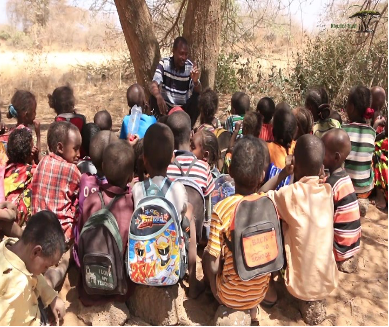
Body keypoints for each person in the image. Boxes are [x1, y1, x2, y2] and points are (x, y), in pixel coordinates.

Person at [264, 135, 338, 325]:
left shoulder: (290, 194)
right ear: (321, 168)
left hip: (298, 287)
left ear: (294, 163)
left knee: (276, 218)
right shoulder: (328, 191)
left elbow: (262, 195)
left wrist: (283, 174)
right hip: (327, 281)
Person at [203, 137, 272, 325]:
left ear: (230, 171)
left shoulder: (222, 209)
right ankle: (252, 311)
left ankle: (215, 292)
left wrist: (212, 279)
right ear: (262, 176)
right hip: (260, 294)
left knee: (208, 253)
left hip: (228, 296)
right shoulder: (269, 205)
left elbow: (214, 265)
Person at [132, 123, 202, 298]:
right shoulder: (177, 189)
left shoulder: (137, 188)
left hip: (143, 267)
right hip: (172, 270)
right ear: (172, 158)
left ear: (144, 159)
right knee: (190, 216)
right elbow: (182, 214)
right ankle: (192, 281)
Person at [75, 140, 135, 305]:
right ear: (131, 177)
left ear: (102, 167)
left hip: (89, 285)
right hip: (120, 288)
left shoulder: (91, 200)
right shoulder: (131, 203)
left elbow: (79, 239)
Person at [0, 211, 66, 326]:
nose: (45, 270)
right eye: (46, 266)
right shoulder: (18, 286)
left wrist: (51, 297)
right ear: (36, 251)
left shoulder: (10, 245)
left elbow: (35, 276)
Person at [31, 121, 81, 244]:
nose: (79, 154)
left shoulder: (42, 162)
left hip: (37, 231)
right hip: (61, 235)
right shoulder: (71, 170)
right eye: (75, 149)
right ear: (60, 148)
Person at [322, 129, 361, 273]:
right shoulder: (343, 178)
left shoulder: (331, 185)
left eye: (323, 152)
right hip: (352, 244)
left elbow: (321, 215)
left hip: (338, 248)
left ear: (336, 157)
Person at [149, 37, 202, 127]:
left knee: (198, 98)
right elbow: (153, 84)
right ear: (173, 51)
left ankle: (188, 128)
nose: (184, 57)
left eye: (186, 54)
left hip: (182, 110)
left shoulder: (190, 67)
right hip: (166, 108)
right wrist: (158, 96)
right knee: (153, 97)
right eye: (181, 54)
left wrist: (196, 81)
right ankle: (161, 126)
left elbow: (198, 90)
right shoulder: (164, 63)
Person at [343, 86, 377, 216]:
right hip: (365, 189)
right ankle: (362, 200)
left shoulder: (343, 129)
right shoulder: (372, 132)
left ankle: (346, 200)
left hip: (346, 187)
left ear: (351, 107)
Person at [166, 111, 215, 197]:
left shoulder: (164, 168)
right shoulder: (204, 168)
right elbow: (209, 203)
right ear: (191, 134)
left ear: (168, 136)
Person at [0, 90, 40, 167]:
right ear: (26, 115)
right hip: (21, 175)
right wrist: (38, 135)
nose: (35, 114)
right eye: (34, 111)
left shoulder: (7, 134)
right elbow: (35, 162)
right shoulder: (26, 134)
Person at [4, 128, 37, 227]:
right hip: (20, 222)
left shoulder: (3, 170)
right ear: (30, 152)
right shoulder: (33, 172)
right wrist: (34, 160)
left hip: (0, 218)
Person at [373, 119, 388, 210]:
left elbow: (370, 143)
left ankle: (380, 196)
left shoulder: (383, 143)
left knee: (376, 155)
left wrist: (375, 125)